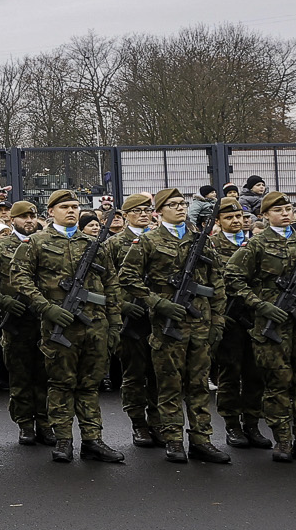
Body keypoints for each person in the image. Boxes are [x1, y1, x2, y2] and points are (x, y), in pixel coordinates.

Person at [119, 188, 230, 464]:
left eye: (183, 204)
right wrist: (156, 302)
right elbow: (127, 277)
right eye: (173, 204)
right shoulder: (148, 241)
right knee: (169, 385)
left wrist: (218, 320)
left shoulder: (201, 240)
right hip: (168, 325)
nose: (180, 208)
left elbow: (217, 282)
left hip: (200, 322)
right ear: (159, 211)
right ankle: (173, 439)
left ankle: (202, 439)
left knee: (199, 385)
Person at [227, 191, 296, 463]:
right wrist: (260, 305)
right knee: (278, 382)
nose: (285, 214)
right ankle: (283, 440)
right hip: (272, 322)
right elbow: (233, 278)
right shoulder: (255, 245)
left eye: (288, 209)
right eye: (278, 210)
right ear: (265, 215)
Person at [12, 190, 123, 463]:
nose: (71, 211)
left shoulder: (95, 244)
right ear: (51, 212)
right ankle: (63, 439)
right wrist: (45, 307)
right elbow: (19, 278)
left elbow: (111, 284)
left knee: (90, 385)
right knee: (60, 384)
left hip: (95, 324)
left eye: (75, 206)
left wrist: (115, 323)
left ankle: (92, 440)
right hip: (59, 327)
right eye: (64, 207)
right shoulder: (37, 242)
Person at [0, 200, 51, 447]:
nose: (29, 221)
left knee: (45, 373)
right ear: (12, 219)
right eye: (23, 217)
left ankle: (45, 422)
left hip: (45, 317)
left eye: (32, 216)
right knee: (20, 374)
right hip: (16, 319)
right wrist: (2, 301)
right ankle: (25, 423)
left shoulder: (46, 243)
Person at [209, 198, 266, 448]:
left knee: (255, 373)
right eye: (229, 217)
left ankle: (252, 423)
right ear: (218, 221)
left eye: (239, 217)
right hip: (229, 317)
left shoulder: (255, 244)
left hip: (255, 316)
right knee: (229, 372)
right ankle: (232, 424)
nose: (236, 221)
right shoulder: (210, 246)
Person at [107, 193, 162, 447]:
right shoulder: (115, 243)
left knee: (159, 373)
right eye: (137, 211)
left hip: (158, 316)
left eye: (147, 210)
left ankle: (158, 422)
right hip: (131, 319)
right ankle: (139, 423)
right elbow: (107, 280)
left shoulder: (158, 239)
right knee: (134, 374)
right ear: (126, 215)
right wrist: (122, 304)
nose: (143, 215)